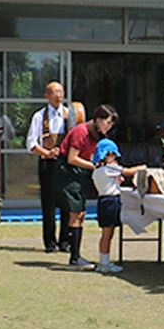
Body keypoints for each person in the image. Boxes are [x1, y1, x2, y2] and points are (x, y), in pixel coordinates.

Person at [56, 104, 119, 270]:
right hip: (68, 171)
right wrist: (95, 166)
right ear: (97, 119)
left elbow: (91, 155)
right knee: (77, 212)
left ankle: (75, 254)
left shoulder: (96, 136)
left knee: (81, 213)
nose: (109, 126)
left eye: (111, 124)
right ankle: (74, 256)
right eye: (107, 122)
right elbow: (72, 158)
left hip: (79, 172)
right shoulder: (81, 131)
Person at [26, 81, 71, 253]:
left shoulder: (70, 115)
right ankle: (50, 242)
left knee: (66, 202)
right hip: (47, 163)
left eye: (61, 92)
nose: (58, 95)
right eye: (54, 92)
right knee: (48, 203)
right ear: (47, 96)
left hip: (66, 162)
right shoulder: (39, 116)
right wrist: (46, 152)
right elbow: (30, 142)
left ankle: (65, 241)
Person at [91, 138, 147, 273]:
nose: (114, 157)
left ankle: (104, 261)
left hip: (103, 201)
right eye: (112, 155)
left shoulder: (97, 170)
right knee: (108, 234)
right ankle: (104, 263)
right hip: (111, 201)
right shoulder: (110, 167)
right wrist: (142, 167)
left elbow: (115, 181)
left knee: (106, 233)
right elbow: (128, 171)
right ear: (106, 155)